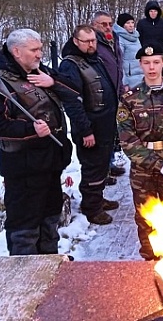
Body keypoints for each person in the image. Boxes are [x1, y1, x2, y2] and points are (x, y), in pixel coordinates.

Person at [0, 29, 72, 255]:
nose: (40, 54)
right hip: (23, 168)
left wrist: (53, 82)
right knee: (25, 225)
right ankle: (24, 276)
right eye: (34, 50)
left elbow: (73, 91)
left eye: (40, 48)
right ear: (17, 52)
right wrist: (30, 129)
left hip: (49, 161)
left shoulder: (38, 71)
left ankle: (50, 265)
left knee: (50, 217)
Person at [117, 43, 163, 260]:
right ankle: (149, 262)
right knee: (146, 217)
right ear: (140, 65)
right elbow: (128, 141)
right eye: (146, 63)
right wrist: (157, 164)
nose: (151, 67)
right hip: (143, 169)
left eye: (156, 62)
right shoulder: (130, 99)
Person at [58, 25, 120, 225]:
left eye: (94, 40)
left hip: (105, 123)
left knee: (102, 165)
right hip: (90, 128)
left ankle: (98, 199)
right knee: (93, 167)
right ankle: (92, 208)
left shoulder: (94, 59)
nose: (92, 44)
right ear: (76, 41)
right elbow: (72, 102)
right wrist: (85, 130)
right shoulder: (70, 65)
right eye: (87, 41)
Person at [91, 11, 127, 180]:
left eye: (110, 24)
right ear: (94, 25)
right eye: (103, 24)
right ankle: (103, 171)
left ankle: (110, 164)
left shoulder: (113, 39)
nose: (107, 27)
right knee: (103, 136)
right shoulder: (93, 43)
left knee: (112, 132)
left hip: (116, 90)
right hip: (102, 95)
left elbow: (118, 65)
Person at [136, 1, 163, 65]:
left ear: (158, 12)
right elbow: (138, 40)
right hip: (146, 53)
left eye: (155, 11)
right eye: (151, 11)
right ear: (148, 12)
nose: (153, 13)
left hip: (160, 53)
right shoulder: (141, 23)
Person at [114, 13, 144, 89]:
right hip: (129, 78)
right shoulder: (120, 38)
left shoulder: (136, 37)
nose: (131, 25)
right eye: (128, 23)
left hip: (141, 75)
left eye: (132, 22)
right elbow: (119, 61)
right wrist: (124, 82)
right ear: (122, 25)